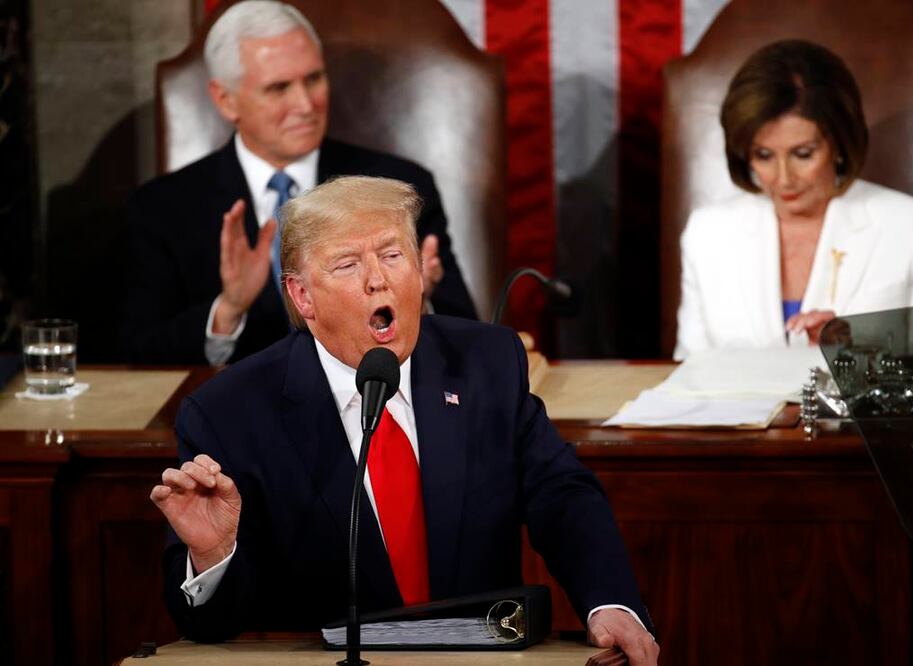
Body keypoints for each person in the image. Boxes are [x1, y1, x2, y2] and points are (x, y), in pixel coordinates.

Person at [149, 176, 660, 664]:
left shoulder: (487, 363)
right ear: (303, 297)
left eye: (393, 256)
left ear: (418, 270)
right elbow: (207, 629)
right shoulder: (230, 414)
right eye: (348, 264)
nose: (378, 279)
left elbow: (562, 495)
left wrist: (610, 601)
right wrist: (215, 557)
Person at [120, 0, 476, 366]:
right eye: (279, 88)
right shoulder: (161, 208)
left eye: (313, 79)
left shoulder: (397, 187)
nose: (305, 104)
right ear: (226, 100)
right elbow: (138, 354)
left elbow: (466, 334)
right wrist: (228, 310)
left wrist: (416, 297)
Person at [674, 39, 913, 359]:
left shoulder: (907, 225)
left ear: (839, 143)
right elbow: (688, 373)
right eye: (764, 155)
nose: (783, 178)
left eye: (803, 154)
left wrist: (854, 361)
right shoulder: (707, 233)